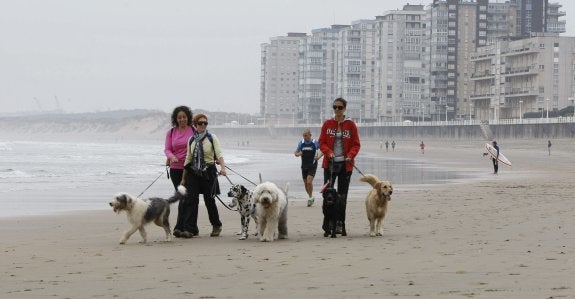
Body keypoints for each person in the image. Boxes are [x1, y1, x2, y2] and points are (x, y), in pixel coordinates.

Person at [319, 97, 361, 236]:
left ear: (344, 109)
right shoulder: (327, 124)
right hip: (329, 164)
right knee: (328, 194)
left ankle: (339, 223)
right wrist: (329, 152)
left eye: (340, 107)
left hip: (345, 165)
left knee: (342, 196)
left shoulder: (351, 125)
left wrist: (351, 155)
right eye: (335, 107)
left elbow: (356, 144)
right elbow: (322, 142)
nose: (337, 110)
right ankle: (328, 223)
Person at [180, 114, 226, 238]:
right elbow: (188, 158)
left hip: (208, 172)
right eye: (200, 123)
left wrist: (223, 168)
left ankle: (216, 225)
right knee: (191, 201)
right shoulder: (191, 140)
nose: (203, 125)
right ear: (195, 125)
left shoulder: (212, 138)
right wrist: (183, 178)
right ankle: (190, 229)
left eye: (205, 123)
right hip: (193, 173)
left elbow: (219, 153)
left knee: (209, 201)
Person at [164, 106, 195, 238]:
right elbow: (167, 149)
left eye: (184, 117)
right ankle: (180, 228)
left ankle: (185, 228)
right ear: (176, 119)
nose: (182, 119)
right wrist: (172, 157)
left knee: (188, 198)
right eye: (179, 117)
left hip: (191, 169)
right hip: (176, 169)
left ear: (188, 117)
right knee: (182, 197)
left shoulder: (193, 130)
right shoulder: (171, 132)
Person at [294, 129, 323, 207]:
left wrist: (319, 157)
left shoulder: (315, 142)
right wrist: (298, 153)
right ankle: (311, 197)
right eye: (304, 135)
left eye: (306, 135)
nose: (305, 137)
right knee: (306, 184)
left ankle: (310, 198)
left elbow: (323, 149)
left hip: (312, 165)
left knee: (309, 182)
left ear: (310, 135)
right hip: (304, 166)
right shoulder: (301, 143)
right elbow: (295, 153)